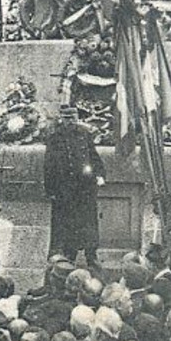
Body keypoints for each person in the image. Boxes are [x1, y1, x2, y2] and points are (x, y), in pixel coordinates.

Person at [44, 104, 104, 267]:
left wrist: (100, 174)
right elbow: (48, 165)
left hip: (85, 188)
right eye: (66, 118)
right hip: (65, 189)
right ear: (61, 119)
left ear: (77, 118)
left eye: (73, 118)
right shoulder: (54, 138)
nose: (70, 122)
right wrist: (50, 190)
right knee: (68, 224)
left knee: (89, 224)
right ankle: (69, 255)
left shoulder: (85, 134)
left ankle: (91, 255)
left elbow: (94, 156)